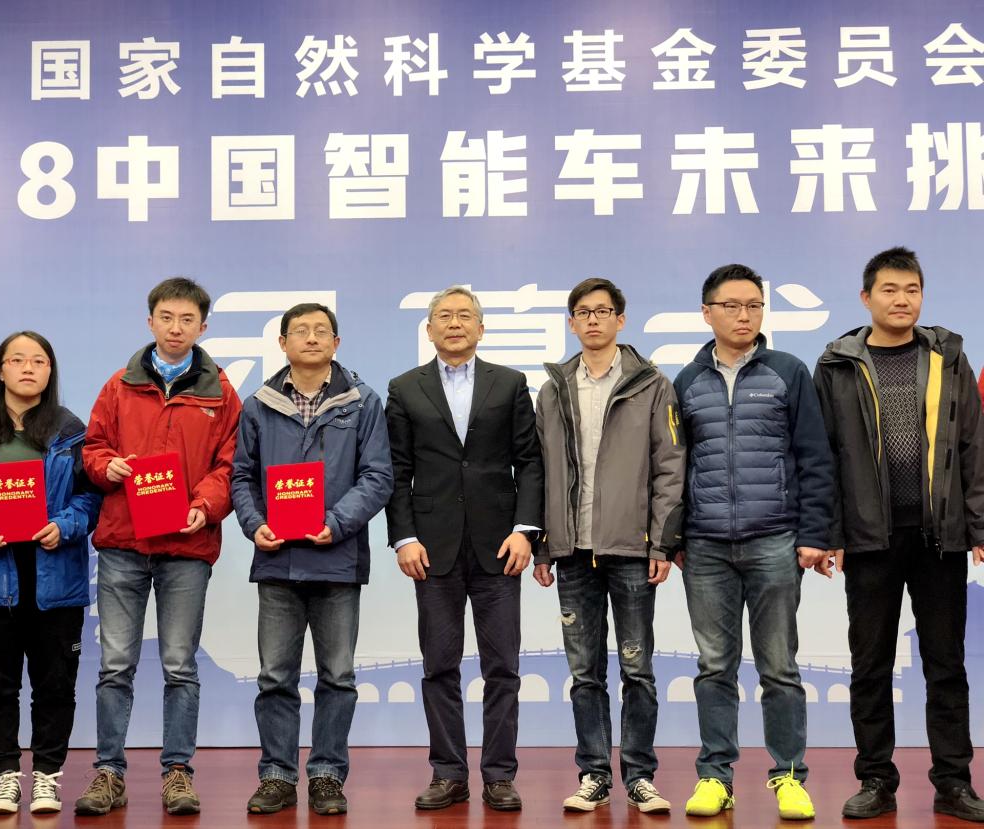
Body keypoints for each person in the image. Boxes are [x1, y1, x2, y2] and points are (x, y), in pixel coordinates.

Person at [813, 247, 984, 822]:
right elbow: (822, 456)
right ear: (866, 298)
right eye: (890, 289)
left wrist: (978, 525)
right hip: (869, 539)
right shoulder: (836, 365)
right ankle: (875, 780)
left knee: (946, 665)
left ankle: (954, 783)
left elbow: (973, 448)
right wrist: (828, 532)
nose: (902, 300)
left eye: (912, 289)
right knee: (870, 665)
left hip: (940, 536)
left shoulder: (948, 357)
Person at [75, 277, 242, 816]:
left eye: (187, 319)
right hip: (123, 542)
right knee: (115, 665)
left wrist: (206, 505)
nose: (176, 328)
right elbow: (92, 448)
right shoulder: (118, 386)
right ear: (150, 321)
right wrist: (107, 466)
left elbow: (231, 465)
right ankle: (109, 772)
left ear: (203, 327)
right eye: (166, 317)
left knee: (179, 665)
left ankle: (177, 772)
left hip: (187, 546)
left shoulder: (222, 393)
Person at [673, 264, 833, 820]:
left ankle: (789, 776)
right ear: (707, 312)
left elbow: (815, 457)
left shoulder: (788, 372)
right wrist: (675, 537)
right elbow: (675, 467)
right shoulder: (687, 381)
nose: (745, 316)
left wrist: (814, 534)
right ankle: (715, 777)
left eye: (754, 306)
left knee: (779, 668)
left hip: (775, 541)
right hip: (706, 546)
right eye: (732, 306)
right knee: (714, 666)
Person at [385, 285, 543, 811]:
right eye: (445, 316)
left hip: (501, 546)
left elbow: (530, 462)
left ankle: (499, 775)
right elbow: (396, 471)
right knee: (439, 667)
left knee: (503, 668)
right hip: (432, 549)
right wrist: (404, 538)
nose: (455, 324)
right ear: (429, 329)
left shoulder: (510, 383)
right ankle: (448, 773)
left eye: (465, 316)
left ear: (481, 327)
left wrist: (525, 530)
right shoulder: (405, 388)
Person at [232, 303, 393, 816]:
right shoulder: (258, 404)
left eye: (322, 330)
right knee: (275, 677)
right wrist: (254, 523)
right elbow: (241, 476)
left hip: (337, 560)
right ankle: (277, 776)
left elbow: (378, 477)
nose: (311, 337)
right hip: (277, 561)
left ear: (336, 343)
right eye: (300, 330)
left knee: (337, 677)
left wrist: (337, 523)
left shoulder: (363, 402)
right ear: (282, 342)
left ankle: (326, 774)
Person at [533, 277, 684, 813]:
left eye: (602, 311)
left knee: (637, 670)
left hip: (631, 549)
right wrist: (544, 546)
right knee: (584, 673)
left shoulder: (652, 385)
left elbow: (670, 467)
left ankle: (640, 776)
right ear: (571, 323)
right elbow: (539, 472)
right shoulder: (553, 390)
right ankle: (593, 774)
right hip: (572, 550)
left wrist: (661, 543)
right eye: (583, 312)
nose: (592, 320)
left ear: (621, 319)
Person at [0, 332, 100, 814]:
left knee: (55, 684)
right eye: (16, 359)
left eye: (38, 361)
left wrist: (66, 526)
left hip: (56, 576)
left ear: (49, 371)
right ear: (0, 370)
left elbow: (90, 497)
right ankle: (5, 777)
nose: (27, 368)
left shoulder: (71, 429)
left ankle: (46, 777)